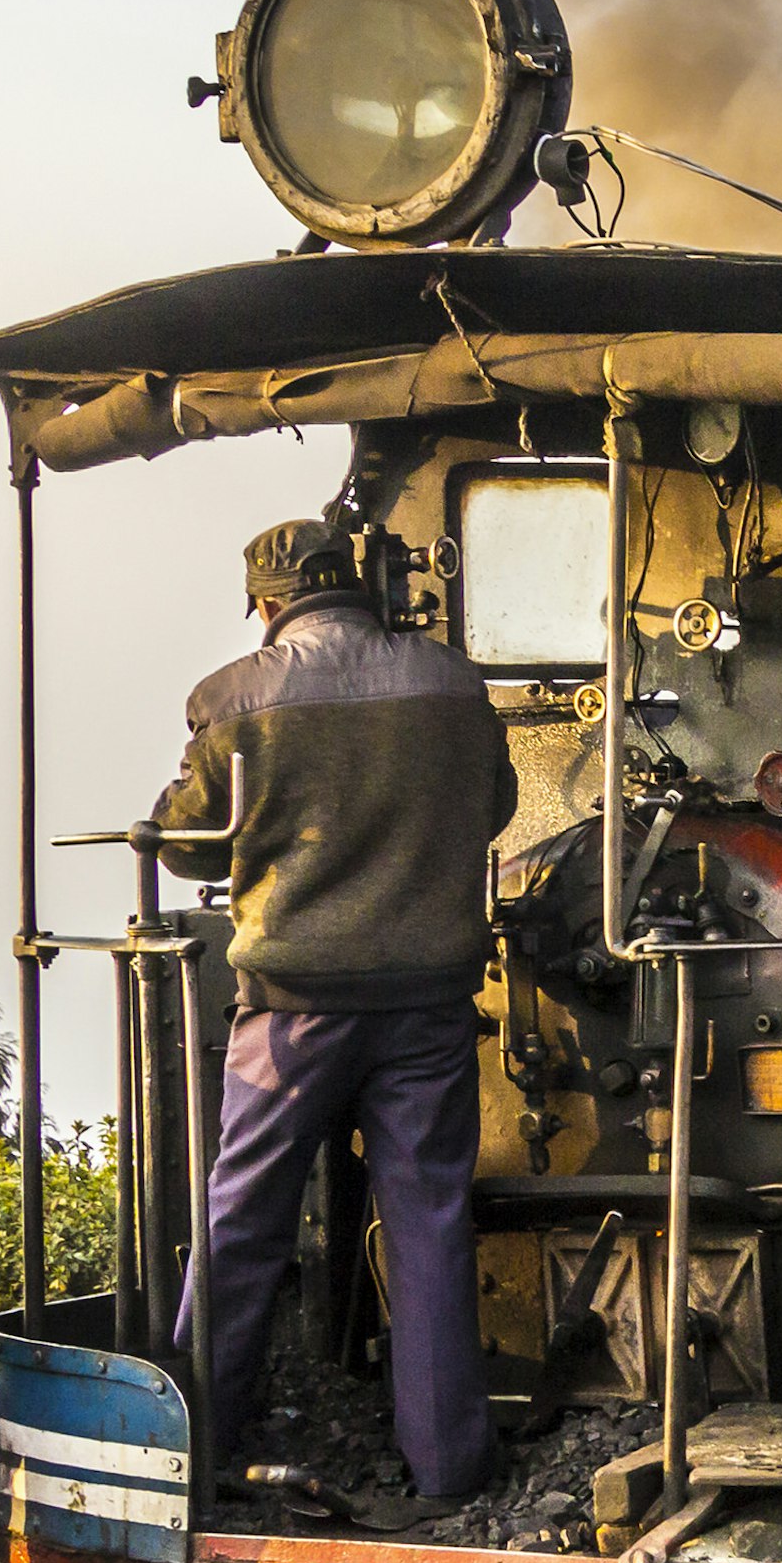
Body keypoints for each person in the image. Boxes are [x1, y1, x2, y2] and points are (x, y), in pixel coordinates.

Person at [162, 521, 515, 1506]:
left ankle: (188, 1451)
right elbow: (495, 802)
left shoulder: (233, 696)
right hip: (427, 1004)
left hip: (291, 1010)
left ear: (269, 606)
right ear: (360, 589)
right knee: (430, 1219)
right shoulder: (454, 683)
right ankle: (450, 1469)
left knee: (240, 1220)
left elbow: (190, 843)